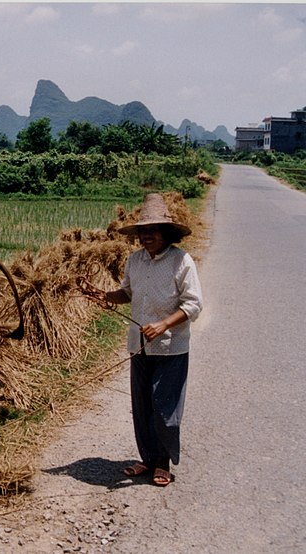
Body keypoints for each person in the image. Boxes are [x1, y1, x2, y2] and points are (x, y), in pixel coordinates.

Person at [89, 193, 203, 486]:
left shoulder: (181, 261)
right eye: (142, 231)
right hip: (138, 344)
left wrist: (164, 324)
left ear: (166, 233)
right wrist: (104, 296)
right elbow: (127, 293)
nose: (146, 236)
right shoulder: (135, 260)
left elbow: (193, 304)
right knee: (141, 405)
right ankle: (148, 458)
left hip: (171, 347)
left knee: (164, 407)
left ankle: (163, 462)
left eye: (152, 230)